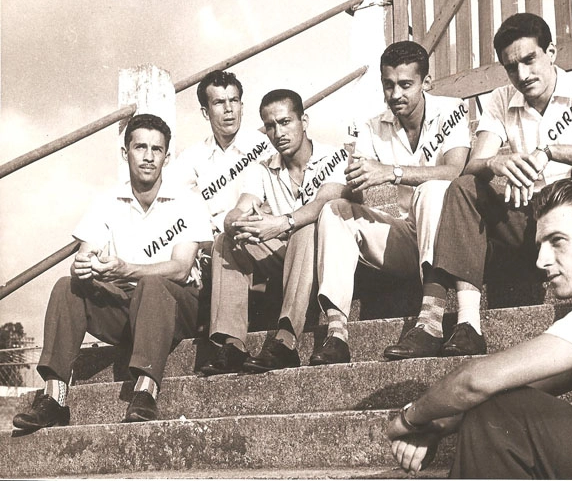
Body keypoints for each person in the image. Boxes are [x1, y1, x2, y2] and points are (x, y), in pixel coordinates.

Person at [387, 175, 572, 479]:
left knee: (500, 412)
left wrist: (409, 419)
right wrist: (443, 423)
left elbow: (475, 380)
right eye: (540, 245)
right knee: (497, 402)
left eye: (557, 241)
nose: (541, 260)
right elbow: (537, 381)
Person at [392, 12, 572, 359]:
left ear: (551, 52)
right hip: (529, 216)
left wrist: (549, 151)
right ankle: (468, 324)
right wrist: (495, 163)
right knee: (464, 186)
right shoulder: (500, 98)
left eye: (529, 60)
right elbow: (474, 164)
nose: (522, 74)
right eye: (510, 67)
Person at [13, 114, 214, 429]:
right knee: (67, 286)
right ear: (126, 153)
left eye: (156, 150)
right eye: (140, 147)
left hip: (176, 308)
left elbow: (180, 268)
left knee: (151, 283)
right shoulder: (107, 200)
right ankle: (54, 397)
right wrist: (82, 268)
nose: (148, 157)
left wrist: (127, 269)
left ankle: (146, 391)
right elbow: (85, 256)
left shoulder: (187, 201)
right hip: (126, 309)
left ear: (167, 156)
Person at [311, 40, 471, 366]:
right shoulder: (373, 127)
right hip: (407, 235)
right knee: (334, 211)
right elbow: (361, 185)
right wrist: (355, 183)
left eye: (405, 85)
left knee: (433, 190)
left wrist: (391, 172)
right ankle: (337, 333)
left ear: (426, 83)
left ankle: (431, 320)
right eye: (388, 85)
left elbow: (455, 171)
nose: (395, 94)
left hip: (449, 234)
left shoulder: (452, 109)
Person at [200, 89, 352, 375]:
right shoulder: (263, 169)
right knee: (225, 241)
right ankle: (232, 344)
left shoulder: (333, 156)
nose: (278, 132)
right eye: (270, 126)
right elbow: (239, 209)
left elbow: (323, 203)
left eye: (285, 122)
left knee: (305, 228)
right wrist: (237, 224)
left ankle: (286, 341)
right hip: (286, 256)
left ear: (303, 121)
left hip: (328, 255)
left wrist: (280, 222)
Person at [174, 70, 274, 232]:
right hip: (206, 238)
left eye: (234, 100)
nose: (229, 109)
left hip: (251, 234)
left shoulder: (263, 146)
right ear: (206, 113)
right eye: (219, 102)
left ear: (241, 107)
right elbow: (174, 200)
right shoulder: (193, 156)